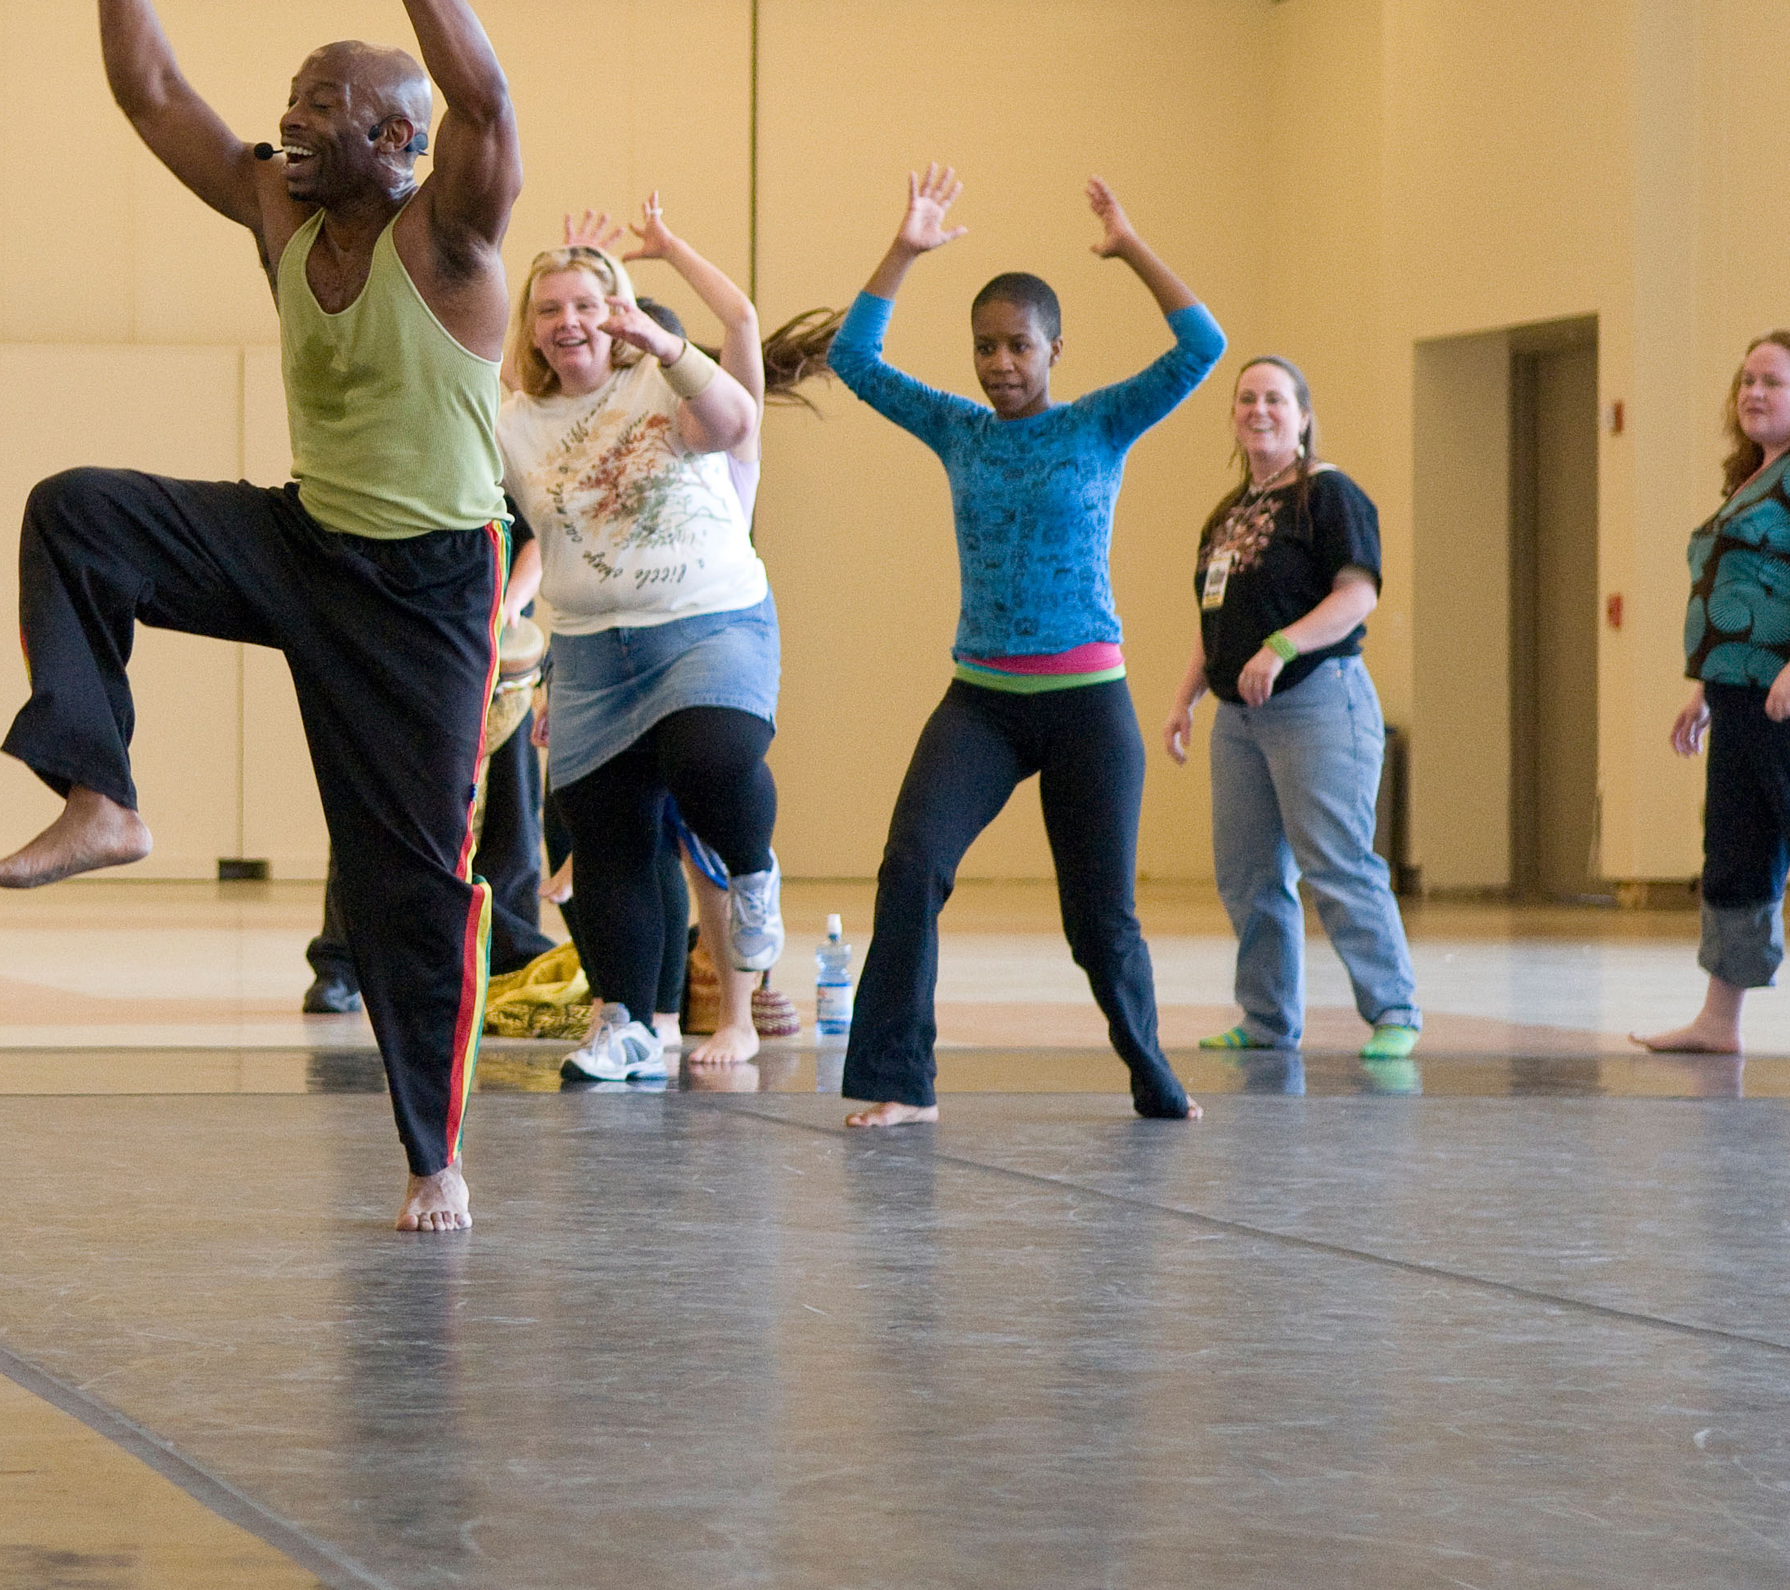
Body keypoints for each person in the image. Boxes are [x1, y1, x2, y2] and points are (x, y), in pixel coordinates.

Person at [0, 0, 520, 1236]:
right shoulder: (281, 207)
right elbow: (153, 95)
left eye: (326, 103)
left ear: (397, 140)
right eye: (295, 94)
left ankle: (434, 1149)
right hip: (299, 539)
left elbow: (488, 100)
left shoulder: (445, 232)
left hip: (425, 587)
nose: (292, 114)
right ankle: (104, 794)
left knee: (407, 880)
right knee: (77, 510)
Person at [830, 165, 1220, 1127]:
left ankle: (1149, 1064)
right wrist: (905, 251)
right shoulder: (960, 430)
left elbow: (1200, 343)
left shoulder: (1100, 422)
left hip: (1088, 703)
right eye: (984, 347)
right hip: (983, 702)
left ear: (1055, 348)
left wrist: (1131, 248)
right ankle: (898, 1084)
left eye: (1018, 345)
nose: (1000, 362)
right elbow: (855, 356)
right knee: (911, 865)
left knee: (1098, 920)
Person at [498, 203, 792, 1085]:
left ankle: (751, 875)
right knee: (606, 831)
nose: (568, 322)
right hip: (591, 650)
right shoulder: (513, 422)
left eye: (585, 304)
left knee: (712, 753)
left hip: (709, 620)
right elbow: (524, 533)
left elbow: (737, 422)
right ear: (532, 328)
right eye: (549, 308)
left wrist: (664, 344)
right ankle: (627, 1023)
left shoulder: (661, 383)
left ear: (617, 310)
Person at [1162, 357, 1420, 1058]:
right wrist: (1185, 696)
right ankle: (1268, 1018)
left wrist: (1280, 647)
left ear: (1303, 414)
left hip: (1317, 701)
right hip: (1238, 718)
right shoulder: (1229, 514)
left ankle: (1394, 1009)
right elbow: (1212, 616)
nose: (1259, 409)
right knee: (1247, 873)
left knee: (1335, 860)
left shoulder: (1327, 495)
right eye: (1247, 398)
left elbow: (1357, 595)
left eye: (1275, 398)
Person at [303, 511, 555, 1016]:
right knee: (376, 799)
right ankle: (344, 960)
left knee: (512, 805)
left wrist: (510, 604)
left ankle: (506, 957)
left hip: (486, 640)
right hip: (400, 635)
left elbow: (540, 539)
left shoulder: (497, 447)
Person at [1639, 332, 1790, 1055]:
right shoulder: (1751, 477)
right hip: (1738, 698)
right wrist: (1704, 688)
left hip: (1783, 695)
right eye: (1748, 380)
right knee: (1734, 853)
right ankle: (1718, 1021)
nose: (1755, 393)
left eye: (1774, 382)